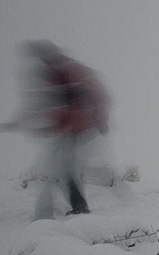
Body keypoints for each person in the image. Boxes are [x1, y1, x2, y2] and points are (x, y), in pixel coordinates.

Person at [16, 41, 110, 219]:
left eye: (43, 58)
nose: (42, 62)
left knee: (63, 170)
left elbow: (94, 97)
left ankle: (67, 210)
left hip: (79, 130)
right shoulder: (53, 74)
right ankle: (60, 210)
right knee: (58, 169)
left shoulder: (72, 72)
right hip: (70, 130)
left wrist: (100, 121)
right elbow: (40, 102)